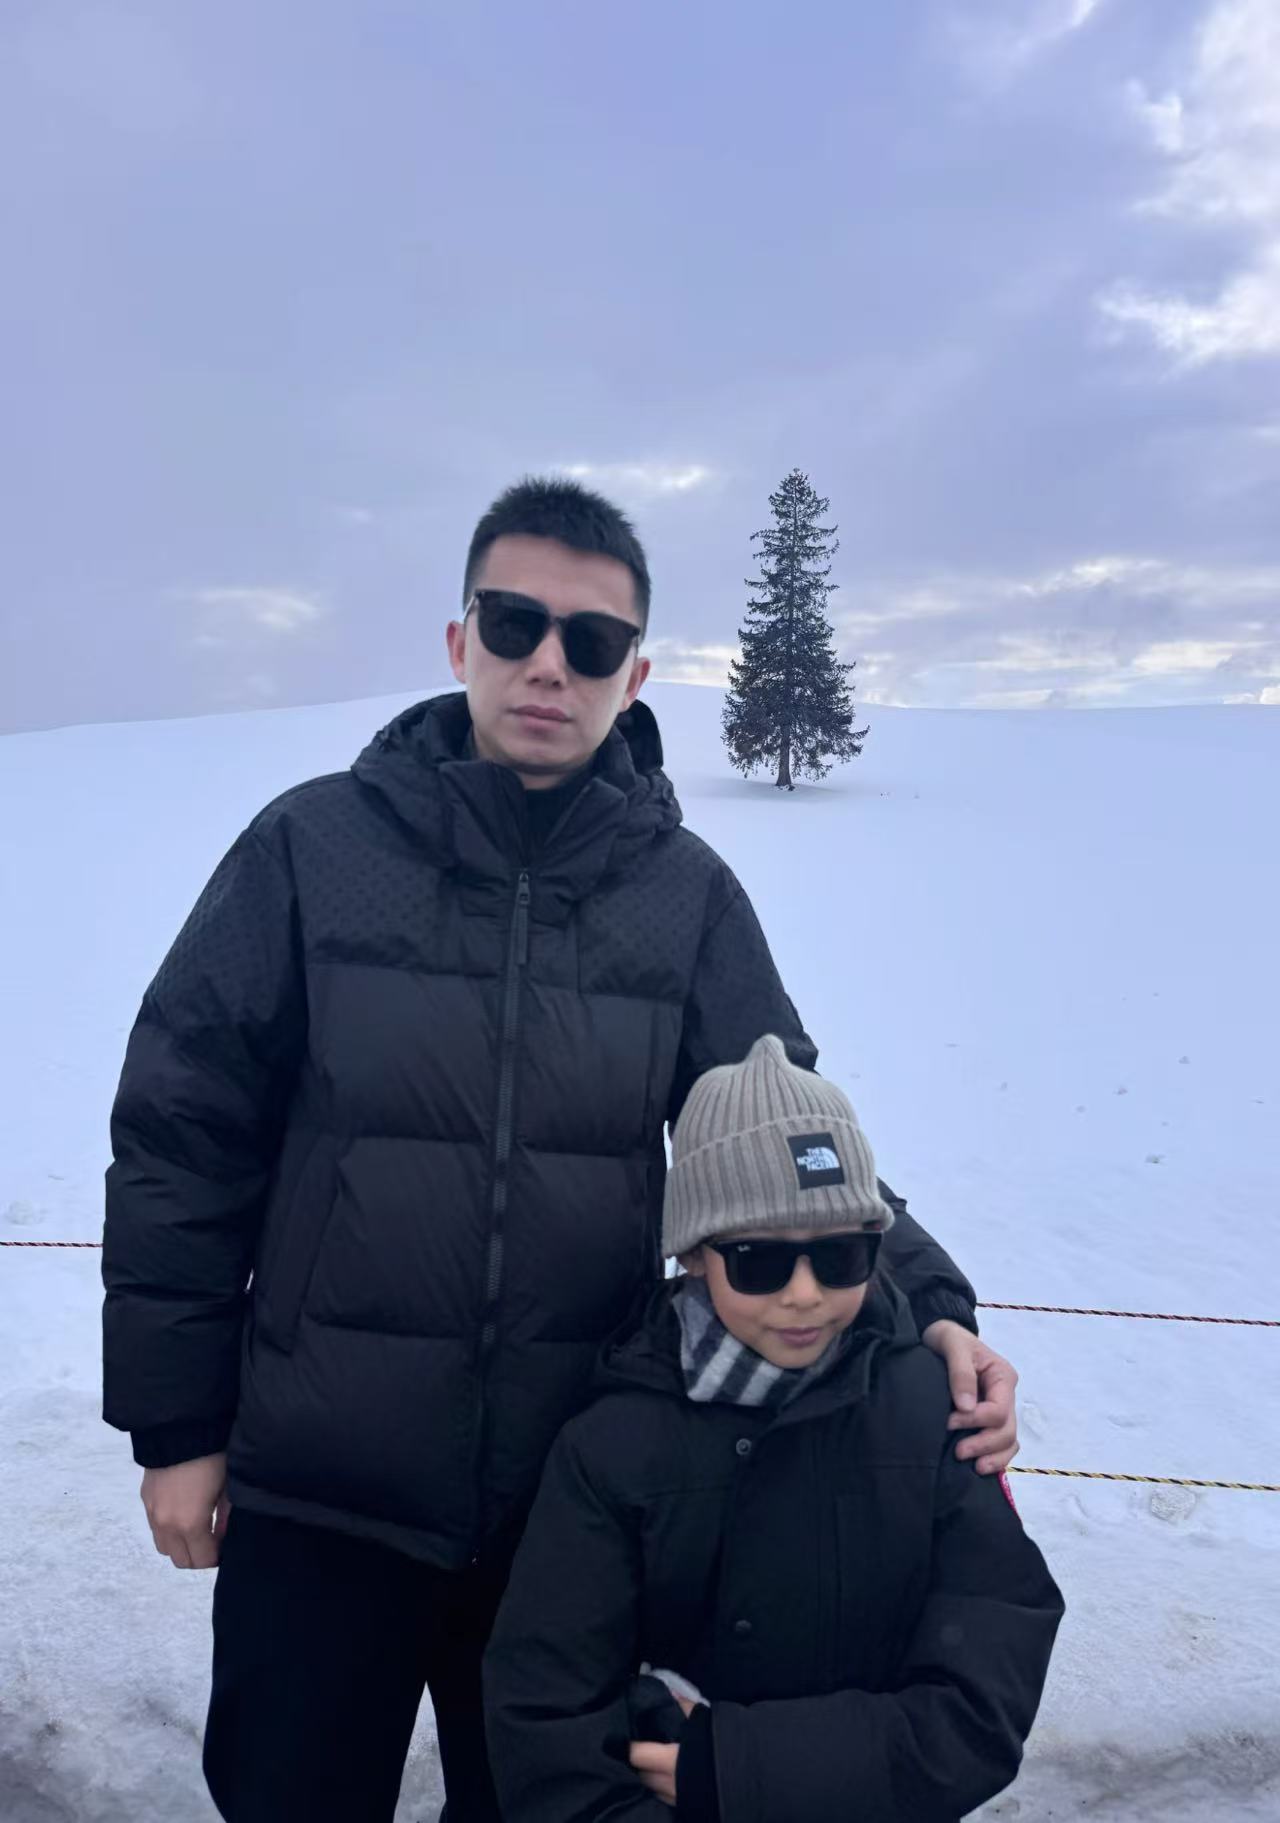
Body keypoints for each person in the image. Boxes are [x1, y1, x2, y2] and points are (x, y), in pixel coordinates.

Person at [102, 477, 1021, 1823]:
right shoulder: (312, 848)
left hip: (572, 1505)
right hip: (320, 1490)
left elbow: (787, 1138)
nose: (550, 663)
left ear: (633, 673)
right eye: (515, 623)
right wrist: (178, 1426)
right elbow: (182, 1137)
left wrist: (929, 1304)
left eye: (591, 640)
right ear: (460, 639)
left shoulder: (683, 894)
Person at [485, 1034, 1063, 1823]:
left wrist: (738, 1767)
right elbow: (548, 1718)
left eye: (841, 1255)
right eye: (758, 1259)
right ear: (695, 1253)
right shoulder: (615, 1442)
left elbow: (982, 1695)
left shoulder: (933, 1413)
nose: (803, 1293)